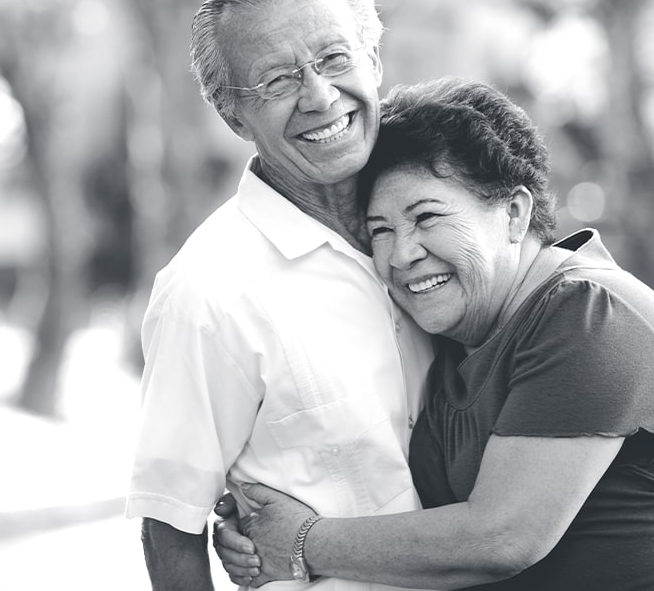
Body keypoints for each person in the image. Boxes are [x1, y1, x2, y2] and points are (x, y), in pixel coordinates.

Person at [213, 77, 654, 590]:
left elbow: (502, 537)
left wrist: (301, 542)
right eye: (381, 230)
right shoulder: (455, 334)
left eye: (426, 218)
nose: (402, 255)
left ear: (514, 213)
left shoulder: (588, 313)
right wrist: (252, 517)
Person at [125, 0, 436, 590]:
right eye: (277, 80)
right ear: (232, 115)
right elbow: (169, 523)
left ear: (373, 62)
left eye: (334, 59)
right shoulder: (208, 293)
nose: (320, 97)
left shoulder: (445, 223)